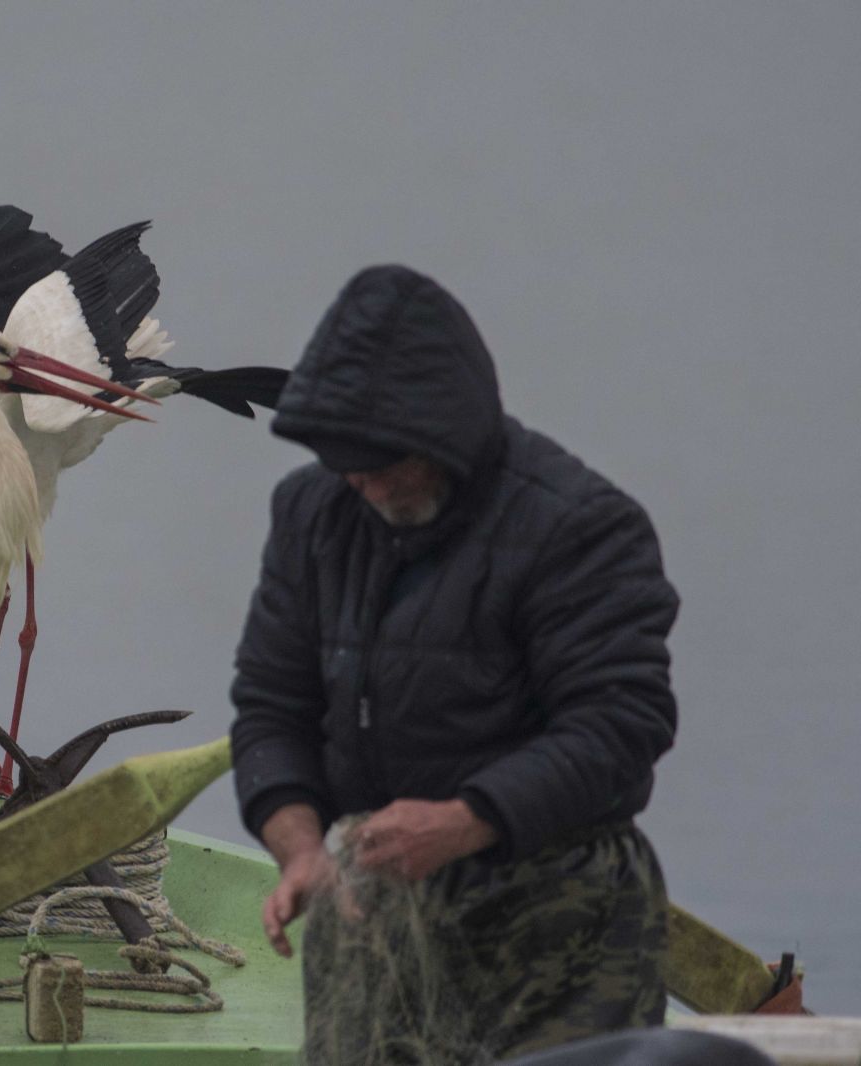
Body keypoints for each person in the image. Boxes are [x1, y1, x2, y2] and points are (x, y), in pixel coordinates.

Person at [230, 264, 679, 1062]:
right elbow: (272, 706)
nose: (359, 479)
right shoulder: (311, 513)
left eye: (379, 458)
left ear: (446, 437)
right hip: (376, 898)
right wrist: (299, 849)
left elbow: (620, 726)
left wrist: (464, 821)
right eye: (342, 458)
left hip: (557, 918)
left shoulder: (580, 527)